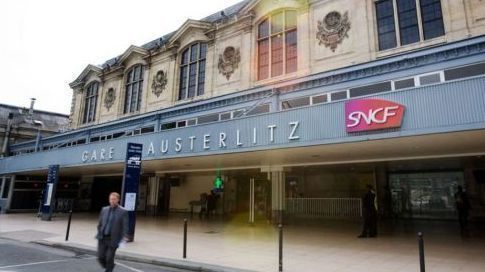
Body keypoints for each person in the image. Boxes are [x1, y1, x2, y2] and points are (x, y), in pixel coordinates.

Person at [96, 192, 129, 272]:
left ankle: (109, 269)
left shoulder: (123, 212)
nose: (112, 201)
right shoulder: (104, 209)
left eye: (114, 199)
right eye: (111, 199)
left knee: (109, 258)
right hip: (103, 237)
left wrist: (124, 237)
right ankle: (110, 266)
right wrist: (99, 231)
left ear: (118, 200)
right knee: (100, 257)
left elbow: (125, 226)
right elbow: (100, 223)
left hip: (113, 239)